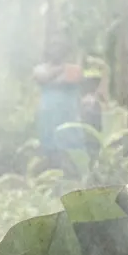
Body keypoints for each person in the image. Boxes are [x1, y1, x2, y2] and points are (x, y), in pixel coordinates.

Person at [33, 35, 84, 167]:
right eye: (54, 47)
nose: (57, 50)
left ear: (66, 51)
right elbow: (42, 77)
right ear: (49, 50)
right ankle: (50, 170)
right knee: (48, 142)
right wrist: (61, 70)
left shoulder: (74, 69)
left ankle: (70, 173)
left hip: (68, 113)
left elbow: (70, 79)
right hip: (48, 113)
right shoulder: (40, 68)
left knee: (69, 143)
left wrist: (52, 77)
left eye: (60, 47)